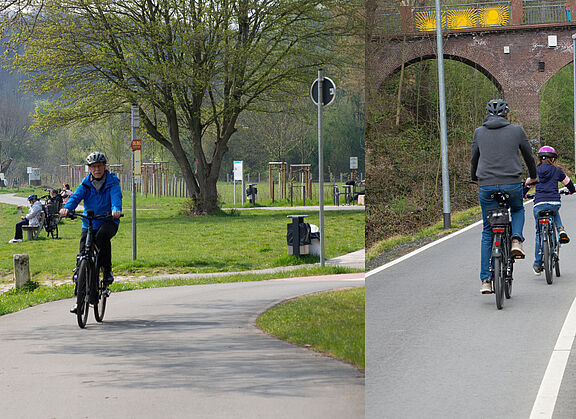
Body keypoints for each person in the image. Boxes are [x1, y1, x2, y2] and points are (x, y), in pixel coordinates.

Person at [470, 99, 538, 294]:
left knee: (487, 230)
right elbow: (529, 156)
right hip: (512, 183)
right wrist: (533, 177)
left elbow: (474, 158)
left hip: (486, 185)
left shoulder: (479, 132)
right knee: (517, 208)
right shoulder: (516, 130)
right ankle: (516, 239)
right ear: (507, 115)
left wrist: (474, 178)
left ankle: (485, 280)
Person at [60, 152, 122, 312]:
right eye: (93, 167)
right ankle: (79, 300)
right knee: (83, 253)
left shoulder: (112, 182)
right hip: (89, 222)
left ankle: (106, 270)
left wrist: (116, 209)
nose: (97, 169)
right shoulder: (86, 183)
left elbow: (116, 198)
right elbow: (76, 197)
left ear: (105, 167)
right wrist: (67, 208)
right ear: (89, 169)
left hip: (108, 220)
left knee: (102, 237)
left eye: (99, 166)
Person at [530, 146, 575, 275]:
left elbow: (527, 185)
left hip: (538, 204)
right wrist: (572, 190)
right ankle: (560, 229)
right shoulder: (557, 170)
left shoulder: (535, 171)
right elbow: (568, 182)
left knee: (539, 233)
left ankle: (538, 264)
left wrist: (523, 194)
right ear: (553, 159)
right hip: (554, 202)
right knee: (554, 211)